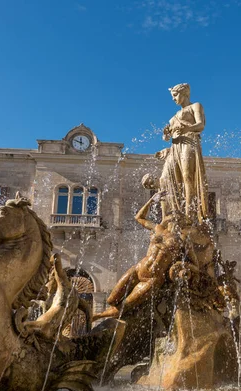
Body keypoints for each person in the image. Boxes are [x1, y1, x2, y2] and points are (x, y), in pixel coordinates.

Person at [92, 192, 187, 320]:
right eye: (172, 217)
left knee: (125, 306)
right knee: (111, 299)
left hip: (152, 280)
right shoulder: (158, 229)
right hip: (138, 269)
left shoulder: (183, 242)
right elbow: (139, 217)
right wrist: (151, 201)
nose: (173, 220)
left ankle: (97, 316)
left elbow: (192, 262)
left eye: (178, 218)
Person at [157, 83, 209, 223]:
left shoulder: (195, 106)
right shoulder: (173, 118)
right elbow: (168, 137)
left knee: (187, 176)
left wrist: (187, 127)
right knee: (164, 179)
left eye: (175, 95)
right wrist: (166, 134)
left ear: (184, 93)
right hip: (175, 147)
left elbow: (201, 125)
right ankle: (168, 216)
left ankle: (188, 214)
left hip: (189, 142)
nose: (173, 99)